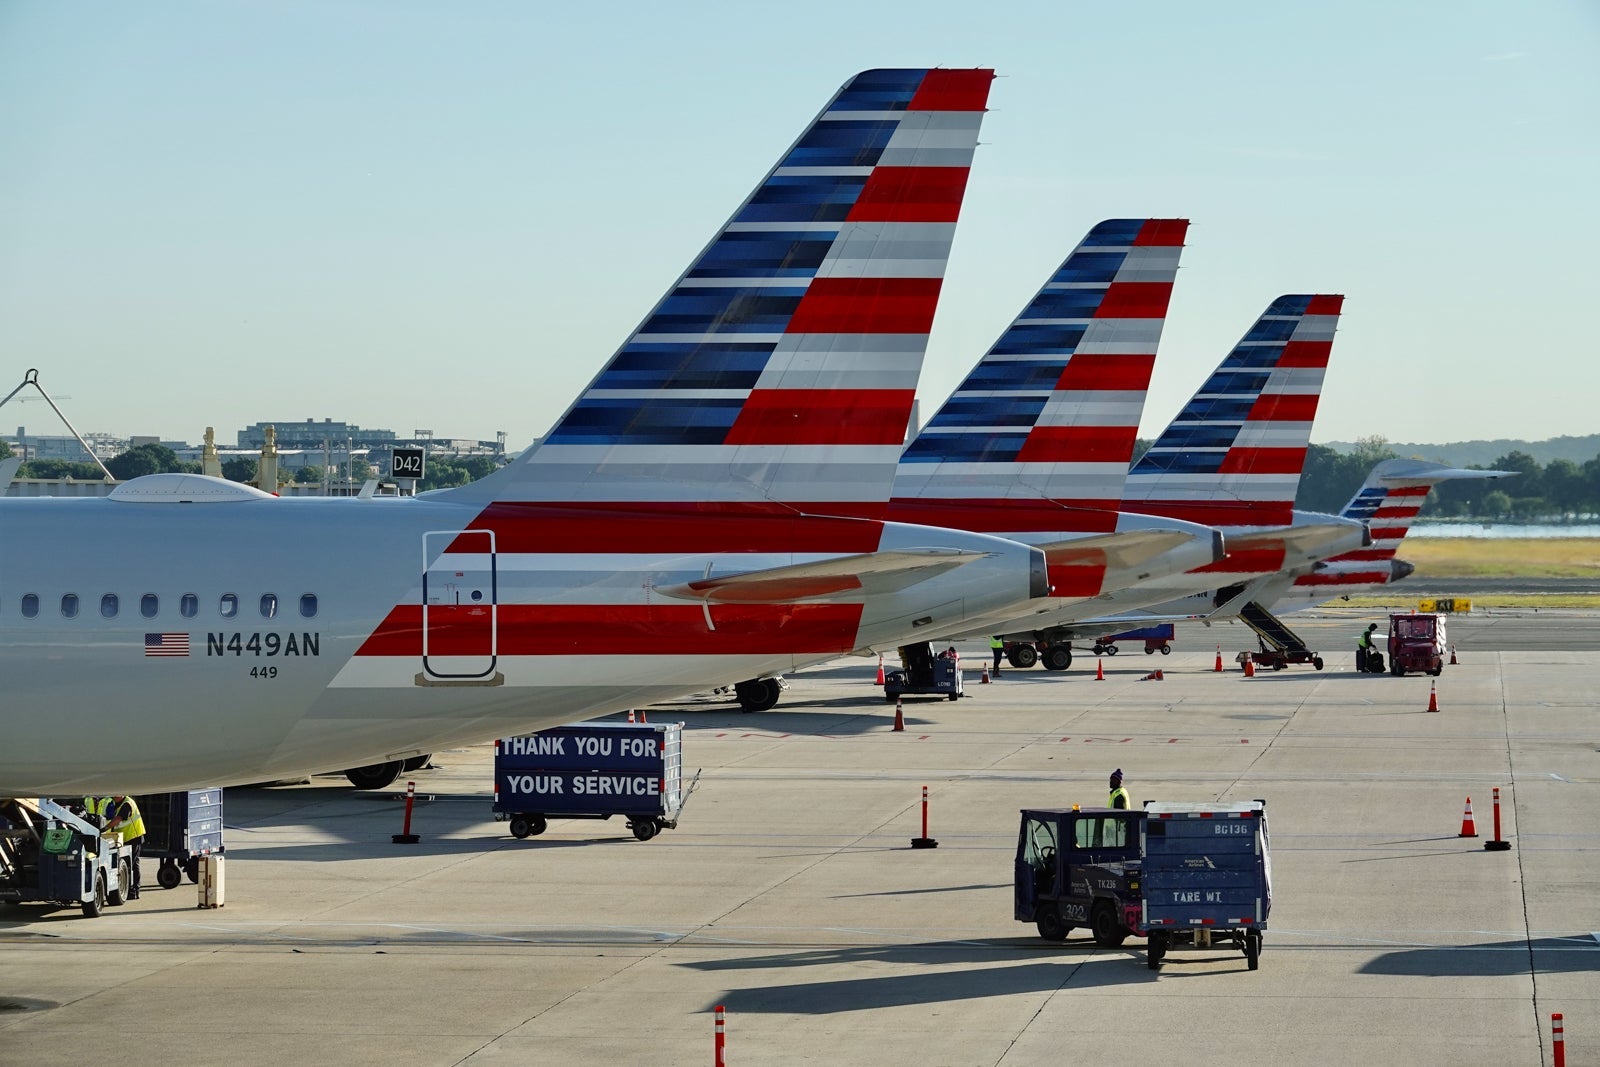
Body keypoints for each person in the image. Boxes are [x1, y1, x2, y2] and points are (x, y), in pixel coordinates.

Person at [103, 795, 146, 899]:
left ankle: (134, 890)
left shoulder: (127, 804)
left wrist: (104, 828)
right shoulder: (117, 803)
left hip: (134, 836)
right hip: (125, 838)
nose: (113, 797)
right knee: (132, 864)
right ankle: (133, 890)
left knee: (132, 864)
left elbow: (118, 819)